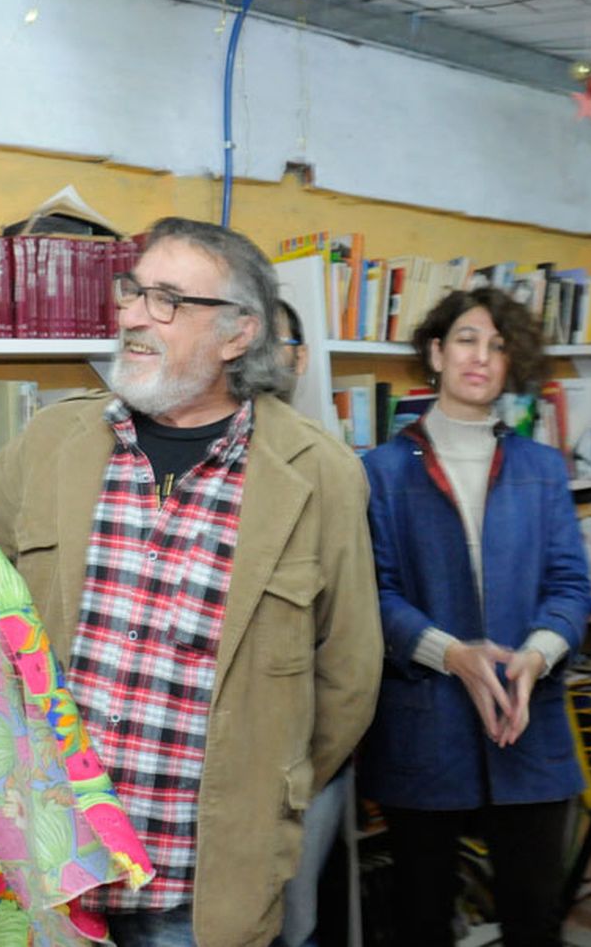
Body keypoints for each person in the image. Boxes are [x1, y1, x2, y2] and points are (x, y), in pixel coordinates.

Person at [0, 216, 383, 947]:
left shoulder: (319, 473)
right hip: (56, 873)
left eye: (170, 299)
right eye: (134, 291)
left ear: (239, 333)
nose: (134, 315)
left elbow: (349, 678)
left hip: (204, 882)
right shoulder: (60, 438)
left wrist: (269, 787)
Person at [360, 287, 591, 947]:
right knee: (423, 917)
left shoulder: (543, 468)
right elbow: (373, 594)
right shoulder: (379, 470)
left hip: (528, 719)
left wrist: (538, 654)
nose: (480, 357)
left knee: (534, 918)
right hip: (422, 726)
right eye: (466, 338)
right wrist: (451, 653)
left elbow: (572, 585)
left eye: (497, 346)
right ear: (435, 352)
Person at [272, 296, 352, 947]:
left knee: (294, 922)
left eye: (277, 341)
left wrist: (310, 766)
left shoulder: (332, 465)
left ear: (299, 357)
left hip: (307, 752)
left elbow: (351, 653)